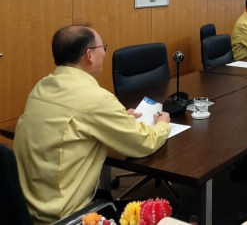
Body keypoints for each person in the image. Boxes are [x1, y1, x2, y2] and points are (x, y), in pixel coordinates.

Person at [13, 25, 171, 224]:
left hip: (26, 208)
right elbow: (143, 143)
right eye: (102, 46)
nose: (104, 52)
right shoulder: (96, 99)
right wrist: (163, 124)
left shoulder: (41, 87)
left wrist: (119, 118)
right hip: (64, 217)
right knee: (161, 211)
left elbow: (76, 120)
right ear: (89, 55)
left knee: (106, 194)